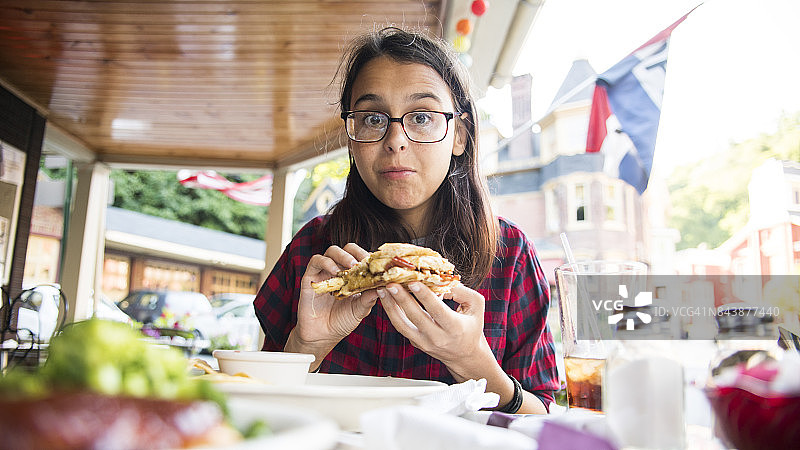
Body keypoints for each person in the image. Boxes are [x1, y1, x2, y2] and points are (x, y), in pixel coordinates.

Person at [254, 27, 559, 414]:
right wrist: (307, 346)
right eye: (372, 119)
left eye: (421, 116)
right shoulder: (313, 253)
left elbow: (544, 417)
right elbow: (256, 409)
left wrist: (473, 363)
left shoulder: (510, 253)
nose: (395, 140)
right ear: (352, 138)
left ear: (459, 136)